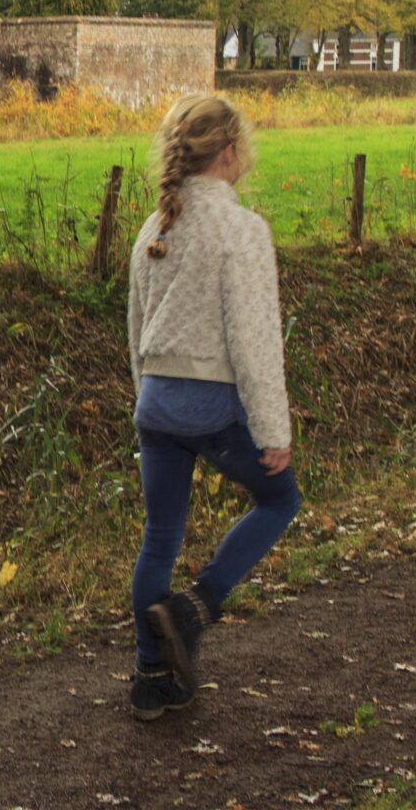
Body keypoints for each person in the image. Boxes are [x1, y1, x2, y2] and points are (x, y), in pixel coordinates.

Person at [124, 92, 301, 720]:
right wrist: (273, 430)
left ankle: (150, 680)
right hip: (212, 406)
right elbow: (255, 342)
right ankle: (196, 606)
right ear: (230, 152)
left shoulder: (155, 228)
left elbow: (136, 328)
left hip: (156, 402)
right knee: (280, 499)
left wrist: (146, 399)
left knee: (160, 537)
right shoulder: (242, 231)